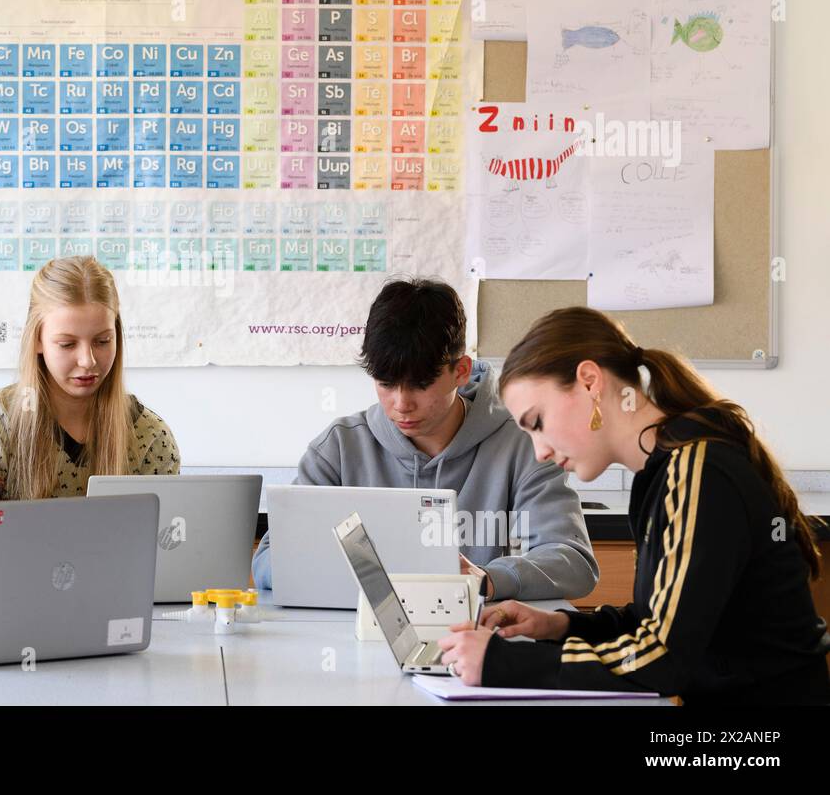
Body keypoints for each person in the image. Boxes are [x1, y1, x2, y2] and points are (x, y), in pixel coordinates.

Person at [439, 307, 830, 704]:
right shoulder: (664, 472)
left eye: (537, 422)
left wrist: (504, 662)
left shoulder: (698, 471)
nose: (538, 452)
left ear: (590, 382)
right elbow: (655, 622)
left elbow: (663, 657)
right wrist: (558, 626)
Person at [252, 278, 596, 601]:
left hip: (478, 645)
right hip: (358, 641)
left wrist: (486, 580)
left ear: (460, 371)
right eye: (386, 384)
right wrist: (366, 577)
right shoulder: (338, 449)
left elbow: (573, 562)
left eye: (420, 385)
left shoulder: (524, 445)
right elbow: (269, 560)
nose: (401, 404)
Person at [0, 256, 180, 581]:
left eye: (102, 341)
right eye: (67, 344)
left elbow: (170, 555)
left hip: (113, 611)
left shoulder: (150, 435)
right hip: (17, 614)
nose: (88, 360)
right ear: (37, 339)